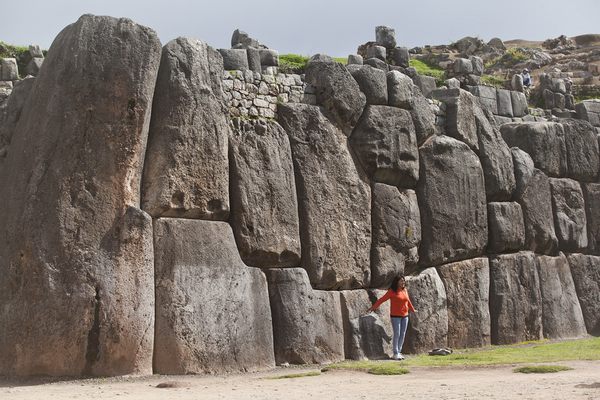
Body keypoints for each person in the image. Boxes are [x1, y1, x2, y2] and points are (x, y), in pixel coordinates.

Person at [367, 275, 416, 360]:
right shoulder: (392, 291)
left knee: (403, 334)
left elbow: (408, 301)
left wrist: (412, 309)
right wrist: (373, 307)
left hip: (405, 316)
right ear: (396, 282)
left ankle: (399, 352)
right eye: (401, 281)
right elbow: (381, 300)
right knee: (397, 333)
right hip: (395, 316)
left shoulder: (404, 290)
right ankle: (395, 353)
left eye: (403, 281)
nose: (403, 282)